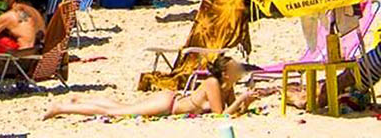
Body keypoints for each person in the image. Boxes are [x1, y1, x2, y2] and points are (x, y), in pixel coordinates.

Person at [43, 56, 255, 119]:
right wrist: (240, 99)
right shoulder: (212, 83)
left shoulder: (227, 85)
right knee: (116, 112)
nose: (239, 70)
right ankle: (61, 108)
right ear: (226, 73)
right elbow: (220, 115)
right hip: (167, 104)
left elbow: (231, 111)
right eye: (235, 68)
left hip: (169, 101)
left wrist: (246, 101)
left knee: (120, 106)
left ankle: (77, 101)